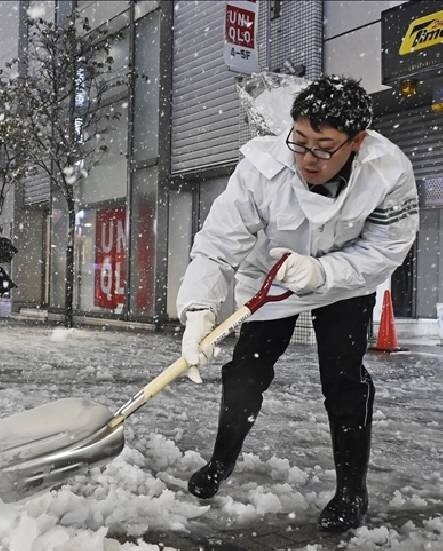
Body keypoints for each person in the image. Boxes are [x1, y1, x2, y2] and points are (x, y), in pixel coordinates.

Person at [177, 76, 418, 532]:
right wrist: (198, 311)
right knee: (245, 373)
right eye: (300, 142)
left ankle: (351, 490)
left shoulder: (388, 172)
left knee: (343, 380)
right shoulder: (260, 169)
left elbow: (388, 246)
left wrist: (324, 272)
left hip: (345, 282)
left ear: (357, 141)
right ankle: (220, 463)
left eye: (324, 148)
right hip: (271, 279)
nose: (308, 158)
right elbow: (216, 246)